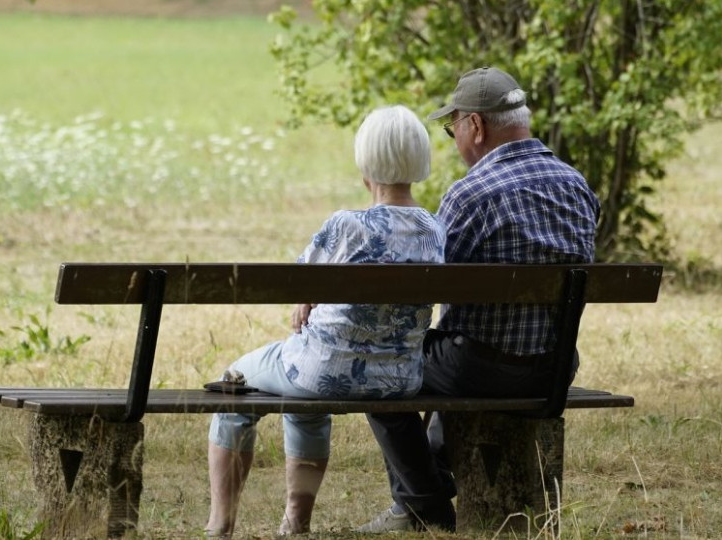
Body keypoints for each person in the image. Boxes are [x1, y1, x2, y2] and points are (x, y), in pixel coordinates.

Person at [358, 67, 601, 533]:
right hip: (554, 369)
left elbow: (426, 286)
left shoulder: (470, 195)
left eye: (453, 130)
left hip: (480, 369)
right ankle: (430, 480)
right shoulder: (577, 186)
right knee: (452, 347)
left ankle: (423, 503)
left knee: (378, 363)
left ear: (476, 125)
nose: (455, 141)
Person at [205, 105, 446, 538]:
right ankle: (295, 522)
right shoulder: (434, 229)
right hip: (399, 379)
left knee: (233, 385)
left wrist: (307, 299)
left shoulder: (346, 225)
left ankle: (220, 525)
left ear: (365, 163)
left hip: (323, 371)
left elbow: (299, 281)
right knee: (304, 397)